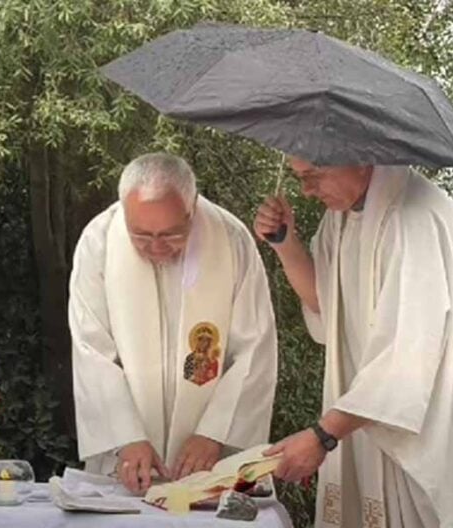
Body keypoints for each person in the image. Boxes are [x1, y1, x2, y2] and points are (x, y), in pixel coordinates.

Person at [255, 158, 453, 527]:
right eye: (300, 179)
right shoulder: (342, 215)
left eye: (313, 176)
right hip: (362, 417)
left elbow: (405, 359)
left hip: (414, 428)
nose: (307, 191)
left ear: (360, 157)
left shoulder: (417, 218)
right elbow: (326, 305)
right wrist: (285, 243)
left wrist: (322, 436)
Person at [69, 152, 278, 494]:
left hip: (210, 457)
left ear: (191, 208)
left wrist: (215, 433)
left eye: (170, 235)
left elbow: (255, 347)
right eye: (141, 235)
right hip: (129, 457)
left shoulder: (230, 238)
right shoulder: (100, 240)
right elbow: (91, 347)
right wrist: (126, 437)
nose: (156, 247)